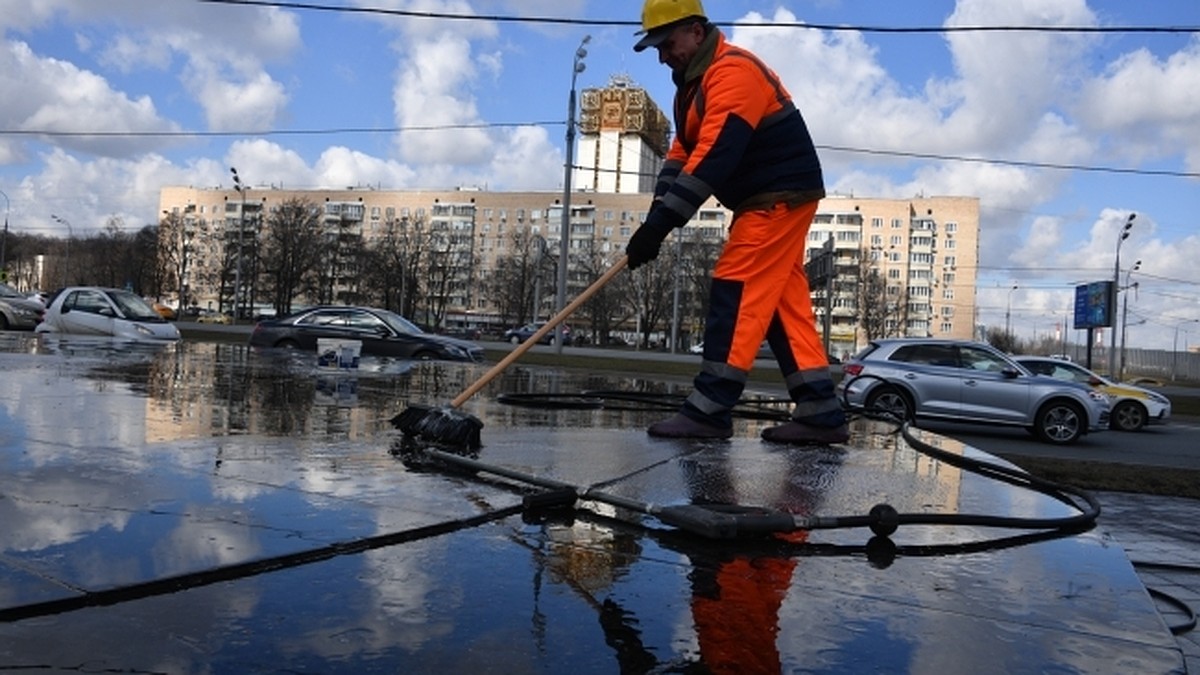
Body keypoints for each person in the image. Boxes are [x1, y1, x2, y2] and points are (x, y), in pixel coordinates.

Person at [626, 0, 849, 444]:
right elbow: (682, 153)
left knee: (736, 284)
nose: (662, 55)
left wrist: (663, 225)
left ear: (694, 30)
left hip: (776, 197)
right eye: (655, 48)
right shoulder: (692, 86)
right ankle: (821, 411)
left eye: (666, 44)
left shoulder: (733, 72)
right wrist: (654, 218)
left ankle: (710, 409)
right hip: (769, 199)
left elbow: (715, 156)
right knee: (785, 308)